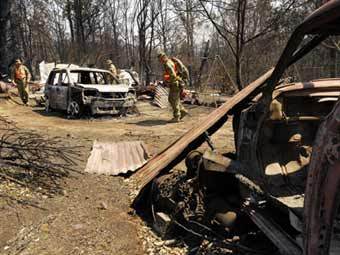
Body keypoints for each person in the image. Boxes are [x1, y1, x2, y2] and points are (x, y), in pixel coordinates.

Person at [158, 51, 188, 122]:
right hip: (176, 83)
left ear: (163, 57)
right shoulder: (170, 61)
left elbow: (173, 75)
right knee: (175, 99)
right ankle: (182, 111)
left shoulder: (167, 64)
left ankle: (177, 116)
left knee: (173, 100)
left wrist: (168, 82)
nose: (160, 61)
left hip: (174, 84)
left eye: (160, 59)